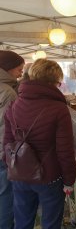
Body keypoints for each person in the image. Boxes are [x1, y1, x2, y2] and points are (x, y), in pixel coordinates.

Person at [3, 58, 76, 229]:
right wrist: (69, 181)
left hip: (19, 174)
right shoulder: (59, 109)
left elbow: (7, 142)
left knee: (22, 221)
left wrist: (10, 166)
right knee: (51, 222)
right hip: (49, 177)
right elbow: (64, 151)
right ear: (53, 81)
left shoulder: (14, 104)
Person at [0, 50, 25, 229]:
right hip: (2, 153)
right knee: (5, 196)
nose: (21, 73)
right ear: (8, 69)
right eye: (19, 69)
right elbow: (11, 128)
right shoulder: (8, 92)